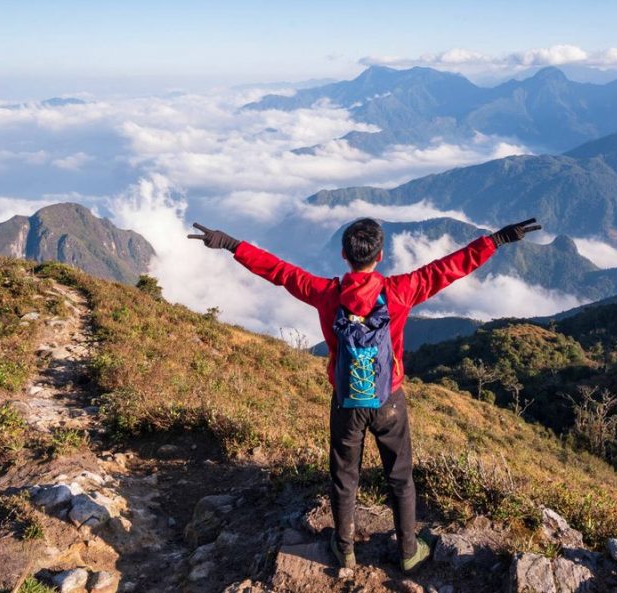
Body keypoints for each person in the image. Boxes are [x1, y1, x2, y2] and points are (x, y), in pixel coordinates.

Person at [188, 215, 541, 572]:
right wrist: (496, 240)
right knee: (400, 476)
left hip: (346, 401)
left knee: (345, 477)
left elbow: (280, 272)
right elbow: (449, 268)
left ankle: (344, 549)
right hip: (389, 399)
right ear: (381, 254)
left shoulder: (326, 294)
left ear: (344, 254)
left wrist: (231, 244)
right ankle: (408, 551)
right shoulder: (402, 290)